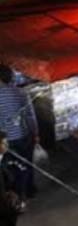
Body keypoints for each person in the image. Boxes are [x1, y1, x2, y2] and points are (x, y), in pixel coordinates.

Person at [0, 65, 37, 199]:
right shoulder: (20, 92)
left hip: (5, 140)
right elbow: (30, 115)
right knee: (27, 163)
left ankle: (16, 194)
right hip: (23, 135)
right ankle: (29, 190)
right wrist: (35, 133)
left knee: (11, 167)